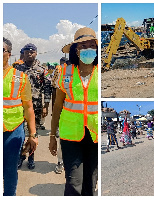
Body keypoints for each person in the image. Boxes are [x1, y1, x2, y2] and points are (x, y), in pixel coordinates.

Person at [49, 27, 98, 196]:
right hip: (71, 135)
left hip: (94, 135)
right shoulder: (64, 72)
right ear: (76, 51)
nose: (88, 49)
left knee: (90, 183)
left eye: (92, 45)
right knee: (74, 182)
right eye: (83, 46)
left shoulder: (102, 73)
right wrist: (51, 137)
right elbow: (57, 106)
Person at [3, 37, 38, 196]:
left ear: (9, 54)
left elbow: (28, 107)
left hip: (13, 131)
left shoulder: (20, 77)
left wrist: (33, 134)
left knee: (10, 170)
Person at [14, 43, 51, 169]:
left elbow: (47, 88)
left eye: (32, 51)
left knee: (33, 134)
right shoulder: (17, 69)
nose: (29, 53)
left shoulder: (42, 69)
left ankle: (31, 157)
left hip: (36, 107)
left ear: (36, 53)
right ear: (23, 53)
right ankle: (20, 156)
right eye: (27, 51)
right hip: (19, 106)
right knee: (20, 133)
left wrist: (46, 105)